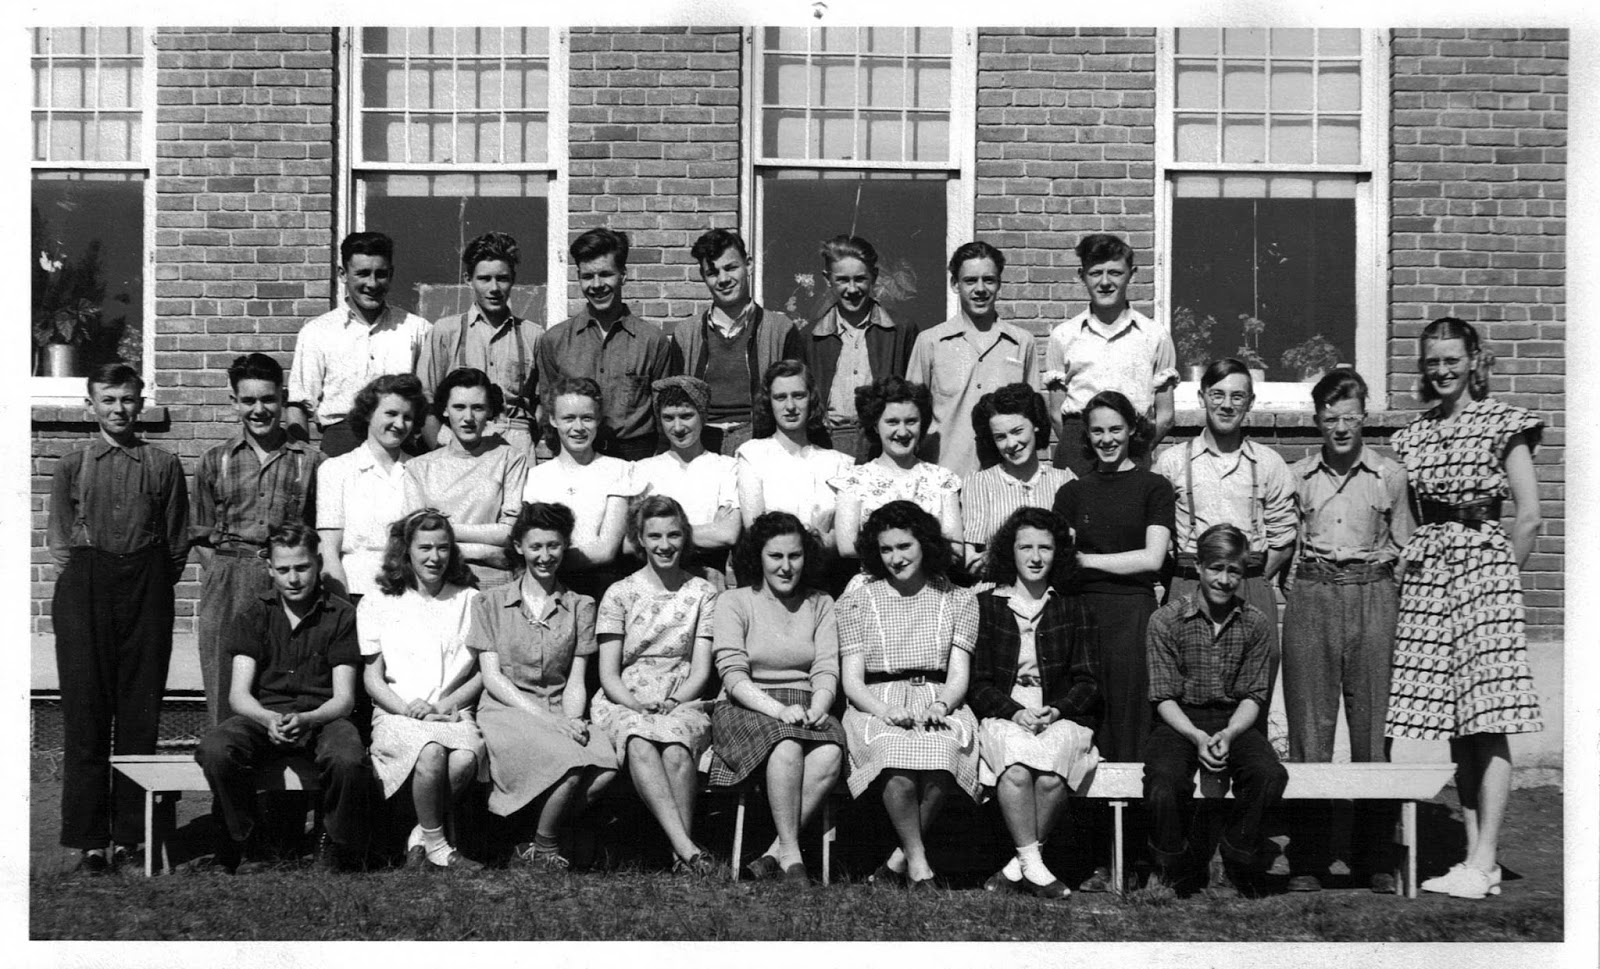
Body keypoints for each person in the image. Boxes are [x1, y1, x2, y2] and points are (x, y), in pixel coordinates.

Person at [1389, 318, 1543, 901]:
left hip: (1485, 578)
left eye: (1452, 359)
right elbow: (1409, 516)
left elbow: (1529, 515)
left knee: (1491, 716)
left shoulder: (1505, 422)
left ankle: (1485, 856)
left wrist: (1499, 581)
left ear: (1475, 359)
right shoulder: (1415, 434)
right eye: (1433, 361)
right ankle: (1477, 857)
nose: (1442, 370)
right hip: (1433, 581)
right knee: (1456, 722)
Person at [50, 363, 189, 873]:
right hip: (86, 588)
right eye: (107, 400)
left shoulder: (163, 464)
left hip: (146, 588)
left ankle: (132, 837)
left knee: (139, 713)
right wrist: (93, 578)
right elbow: (60, 541)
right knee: (85, 713)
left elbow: (177, 542)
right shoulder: (73, 464)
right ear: (91, 405)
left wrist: (146, 583)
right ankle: (89, 843)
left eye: (127, 399)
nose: (118, 409)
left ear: (141, 403)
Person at [1280, 369, 1412, 894]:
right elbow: (1285, 547)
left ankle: (1374, 857)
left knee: (1372, 727)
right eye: (1331, 418)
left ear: (1365, 417)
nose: (1340, 428)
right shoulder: (1297, 476)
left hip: (1372, 594)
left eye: (1350, 417)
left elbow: (1405, 547)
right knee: (1309, 730)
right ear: (1317, 420)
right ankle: (1308, 858)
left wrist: (1383, 595)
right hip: (1313, 593)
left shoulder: (1389, 475)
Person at [1051, 389, 1175, 892]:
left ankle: (1139, 857)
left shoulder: (1154, 486)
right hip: (1084, 617)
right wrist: (1080, 566)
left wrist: (1086, 560)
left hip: (1133, 616)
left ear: (1132, 431)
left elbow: (1151, 559)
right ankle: (1095, 857)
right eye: (1097, 430)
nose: (1106, 439)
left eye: (1115, 429)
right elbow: (1060, 560)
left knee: (1131, 727)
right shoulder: (1071, 494)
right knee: (1090, 727)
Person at [195, 525, 371, 874]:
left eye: (302, 568)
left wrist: (307, 720)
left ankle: (332, 845)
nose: (293, 578)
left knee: (348, 757)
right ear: (270, 569)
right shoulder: (253, 614)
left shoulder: (341, 615)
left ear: (318, 564)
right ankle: (249, 842)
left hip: (322, 717)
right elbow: (238, 696)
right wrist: (268, 719)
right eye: (284, 569)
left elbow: (344, 699)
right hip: (266, 717)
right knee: (216, 749)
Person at [837, 500, 981, 888]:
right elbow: (852, 682)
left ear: (925, 545)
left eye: (905, 546)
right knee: (892, 754)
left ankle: (898, 862)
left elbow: (958, 675)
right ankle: (918, 863)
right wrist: (883, 710)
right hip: (876, 700)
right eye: (886, 549)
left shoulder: (959, 599)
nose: (896, 558)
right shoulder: (857, 600)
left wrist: (941, 704)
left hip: (938, 696)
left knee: (942, 749)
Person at [469, 503, 618, 869]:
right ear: (519, 547)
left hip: (558, 707)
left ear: (564, 546)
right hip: (507, 710)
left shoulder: (580, 605)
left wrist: (572, 720)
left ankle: (529, 836)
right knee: (569, 765)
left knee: (605, 765)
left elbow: (575, 679)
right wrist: (549, 722)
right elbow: (493, 678)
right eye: (535, 546)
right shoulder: (489, 602)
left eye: (553, 545)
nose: (545, 556)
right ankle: (545, 850)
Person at [1142, 523, 1288, 896]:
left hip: (1234, 720)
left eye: (1233, 571)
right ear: (1199, 567)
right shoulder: (1165, 620)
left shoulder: (1255, 622)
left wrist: (1229, 733)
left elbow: (1253, 696)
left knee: (1269, 775)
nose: (1224, 580)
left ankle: (1236, 853)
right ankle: (1171, 865)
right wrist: (1196, 736)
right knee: (1163, 782)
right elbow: (1163, 697)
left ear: (1244, 573)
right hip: (1179, 720)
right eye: (1216, 568)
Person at [970, 507, 1101, 899]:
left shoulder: (1074, 606)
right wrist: (1015, 711)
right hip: (1005, 711)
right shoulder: (986, 605)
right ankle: (1035, 866)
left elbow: (1089, 681)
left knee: (1050, 777)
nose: (1035, 557)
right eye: (1025, 547)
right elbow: (979, 682)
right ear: (1009, 552)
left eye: (1045, 547)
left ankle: (1018, 867)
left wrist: (1057, 710)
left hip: (1059, 712)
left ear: (1057, 553)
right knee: (1015, 771)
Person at [709, 512, 845, 885]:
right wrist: (778, 710)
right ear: (758, 557)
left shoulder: (820, 602)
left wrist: (819, 706)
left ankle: (774, 853)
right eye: (775, 556)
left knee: (830, 752)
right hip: (747, 703)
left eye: (794, 556)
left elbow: (826, 668)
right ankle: (793, 858)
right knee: (786, 744)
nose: (786, 567)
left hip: (805, 703)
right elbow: (733, 676)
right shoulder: (734, 601)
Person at [1152, 358, 1295, 707]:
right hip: (1188, 581)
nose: (1226, 404)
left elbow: (1282, 539)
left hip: (1250, 583)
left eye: (1237, 396)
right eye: (1217, 394)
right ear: (1201, 397)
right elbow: (1158, 535)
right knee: (1184, 689)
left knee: (1253, 689)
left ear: (1250, 402)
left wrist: (1251, 580)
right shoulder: (1172, 462)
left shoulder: (1269, 463)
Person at [191, 352, 322, 727]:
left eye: (268, 399)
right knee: (225, 677)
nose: (259, 410)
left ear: (283, 399)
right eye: (248, 400)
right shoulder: (214, 461)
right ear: (234, 402)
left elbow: (319, 532)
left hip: (288, 581)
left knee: (285, 677)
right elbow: (200, 533)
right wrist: (224, 572)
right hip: (229, 580)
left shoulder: (311, 462)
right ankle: (226, 758)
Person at [592, 495, 719, 873]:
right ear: (640, 540)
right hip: (625, 695)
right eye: (655, 536)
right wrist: (634, 705)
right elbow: (608, 673)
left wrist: (674, 701)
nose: (665, 545)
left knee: (678, 746)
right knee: (639, 739)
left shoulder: (703, 592)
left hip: (681, 693)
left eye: (674, 535)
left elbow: (700, 670)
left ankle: (682, 858)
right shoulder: (619, 593)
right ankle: (687, 850)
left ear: (685, 537)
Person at [359, 509, 486, 872]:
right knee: (430, 752)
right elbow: (372, 678)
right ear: (407, 551)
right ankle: (440, 846)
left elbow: (482, 672)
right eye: (425, 548)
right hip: (397, 712)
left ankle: (419, 836)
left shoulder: (471, 599)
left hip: (451, 711)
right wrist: (405, 709)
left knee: (464, 759)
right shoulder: (378, 600)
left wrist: (445, 705)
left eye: (443, 548)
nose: (435, 557)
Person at [1043, 233, 1178, 477]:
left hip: (1133, 448)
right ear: (1082, 276)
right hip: (1078, 449)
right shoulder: (1063, 336)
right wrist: (1083, 448)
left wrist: (1136, 449)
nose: (1105, 282)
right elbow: (1055, 413)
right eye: (1095, 273)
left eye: (1115, 273)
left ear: (1132, 274)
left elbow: (1166, 415)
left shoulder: (1154, 336)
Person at [288, 231, 431, 457]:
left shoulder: (417, 330)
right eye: (362, 274)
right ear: (343, 274)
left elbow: (429, 403)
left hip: (400, 443)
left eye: (380, 274)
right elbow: (298, 404)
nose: (372, 284)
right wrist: (300, 463)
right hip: (341, 445)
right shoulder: (317, 332)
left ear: (391, 274)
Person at [535, 228, 673, 461]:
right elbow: (549, 408)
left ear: (623, 275)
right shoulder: (554, 340)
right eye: (588, 276)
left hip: (636, 456)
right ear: (578, 277)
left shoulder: (652, 340)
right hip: (577, 455)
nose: (597, 285)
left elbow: (665, 412)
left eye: (606, 274)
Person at [906, 241, 1037, 480]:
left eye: (989, 280)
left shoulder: (1022, 342)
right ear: (955, 284)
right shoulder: (930, 342)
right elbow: (911, 413)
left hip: (1006, 478)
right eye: (970, 281)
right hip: (944, 476)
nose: (980, 289)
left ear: (999, 284)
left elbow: (1033, 417)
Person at [668, 228, 805, 455]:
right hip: (702, 446)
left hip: (762, 443)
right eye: (713, 273)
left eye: (731, 268)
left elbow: (797, 399)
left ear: (748, 265)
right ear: (703, 276)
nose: (723, 279)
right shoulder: (686, 334)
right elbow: (673, 406)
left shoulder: (781, 330)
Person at [403, 367, 529, 590]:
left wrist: (443, 529)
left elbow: (510, 531)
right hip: (438, 579)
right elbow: (418, 537)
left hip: (494, 580)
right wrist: (484, 551)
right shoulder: (419, 468)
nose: (468, 418)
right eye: (459, 407)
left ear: (489, 410)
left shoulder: (510, 458)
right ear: (444, 409)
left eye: (477, 408)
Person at [417, 232, 542, 454]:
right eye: (484, 279)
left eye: (502, 278)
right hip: (459, 440)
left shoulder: (533, 335)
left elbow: (544, 403)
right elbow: (424, 400)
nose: (494, 288)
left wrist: (525, 440)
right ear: (469, 279)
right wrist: (444, 447)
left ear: (513, 279)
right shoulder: (446, 331)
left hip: (516, 441)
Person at [520, 377, 642, 602]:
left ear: (598, 420)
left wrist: (544, 560)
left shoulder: (618, 470)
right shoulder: (535, 477)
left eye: (587, 418)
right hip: (546, 589)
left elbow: (606, 550)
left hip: (600, 587)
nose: (578, 428)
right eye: (568, 418)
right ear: (553, 420)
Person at [800, 235, 918, 463]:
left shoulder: (900, 331)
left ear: (874, 276)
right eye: (842, 280)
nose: (852, 289)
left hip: (882, 447)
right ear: (827, 279)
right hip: (826, 447)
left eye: (860, 279)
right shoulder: (810, 337)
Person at [316, 373, 428, 602]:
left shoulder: (421, 470)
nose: (399, 424)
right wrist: (343, 609)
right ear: (368, 413)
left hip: (411, 595)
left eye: (407, 417)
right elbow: (328, 552)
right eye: (391, 413)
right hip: (354, 592)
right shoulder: (336, 470)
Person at [831, 376, 963, 563]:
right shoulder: (853, 481)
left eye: (911, 421)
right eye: (892, 422)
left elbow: (956, 549)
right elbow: (847, 547)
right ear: (875, 425)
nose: (902, 432)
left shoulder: (943, 480)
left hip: (931, 578)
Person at [733, 360, 854, 554]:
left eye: (798, 396)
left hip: (825, 566)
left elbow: (845, 536)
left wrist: (828, 541)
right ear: (769, 402)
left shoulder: (840, 463)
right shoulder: (752, 455)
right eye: (780, 397)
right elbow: (754, 528)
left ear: (811, 399)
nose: (790, 406)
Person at [960, 382, 1074, 574]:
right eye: (1000, 437)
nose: (1011, 444)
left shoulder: (1064, 481)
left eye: (1017, 431)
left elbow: (1071, 548)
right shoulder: (980, 483)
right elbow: (972, 560)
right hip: (996, 585)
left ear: (1035, 425)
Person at [632, 376, 742, 571]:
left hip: (708, 572)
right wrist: (709, 530)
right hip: (656, 574)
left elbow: (727, 534)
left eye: (686, 416)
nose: (677, 427)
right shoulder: (643, 469)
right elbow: (629, 541)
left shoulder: (727, 467)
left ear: (702, 416)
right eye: (668, 418)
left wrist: (656, 533)